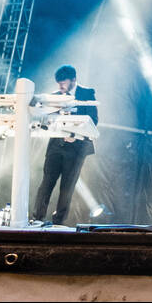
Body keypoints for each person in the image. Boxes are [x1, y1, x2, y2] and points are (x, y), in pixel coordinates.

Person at [32, 65, 97, 227]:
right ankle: (38, 218)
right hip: (55, 145)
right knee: (47, 182)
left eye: (63, 82)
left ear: (73, 80)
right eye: (58, 83)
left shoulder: (87, 94)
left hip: (76, 148)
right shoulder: (54, 96)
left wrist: (75, 135)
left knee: (67, 186)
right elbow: (45, 119)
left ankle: (58, 222)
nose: (60, 86)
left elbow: (93, 120)